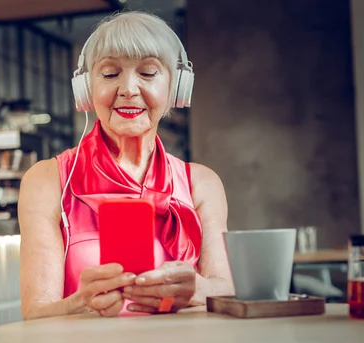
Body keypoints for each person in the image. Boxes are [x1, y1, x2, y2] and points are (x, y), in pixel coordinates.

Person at [18, 10, 235, 320]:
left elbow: (226, 291)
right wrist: (82, 301)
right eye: (109, 74)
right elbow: (35, 314)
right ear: (86, 89)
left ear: (176, 86)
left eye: (147, 73)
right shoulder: (47, 180)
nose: (129, 89)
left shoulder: (201, 183)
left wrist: (195, 290)